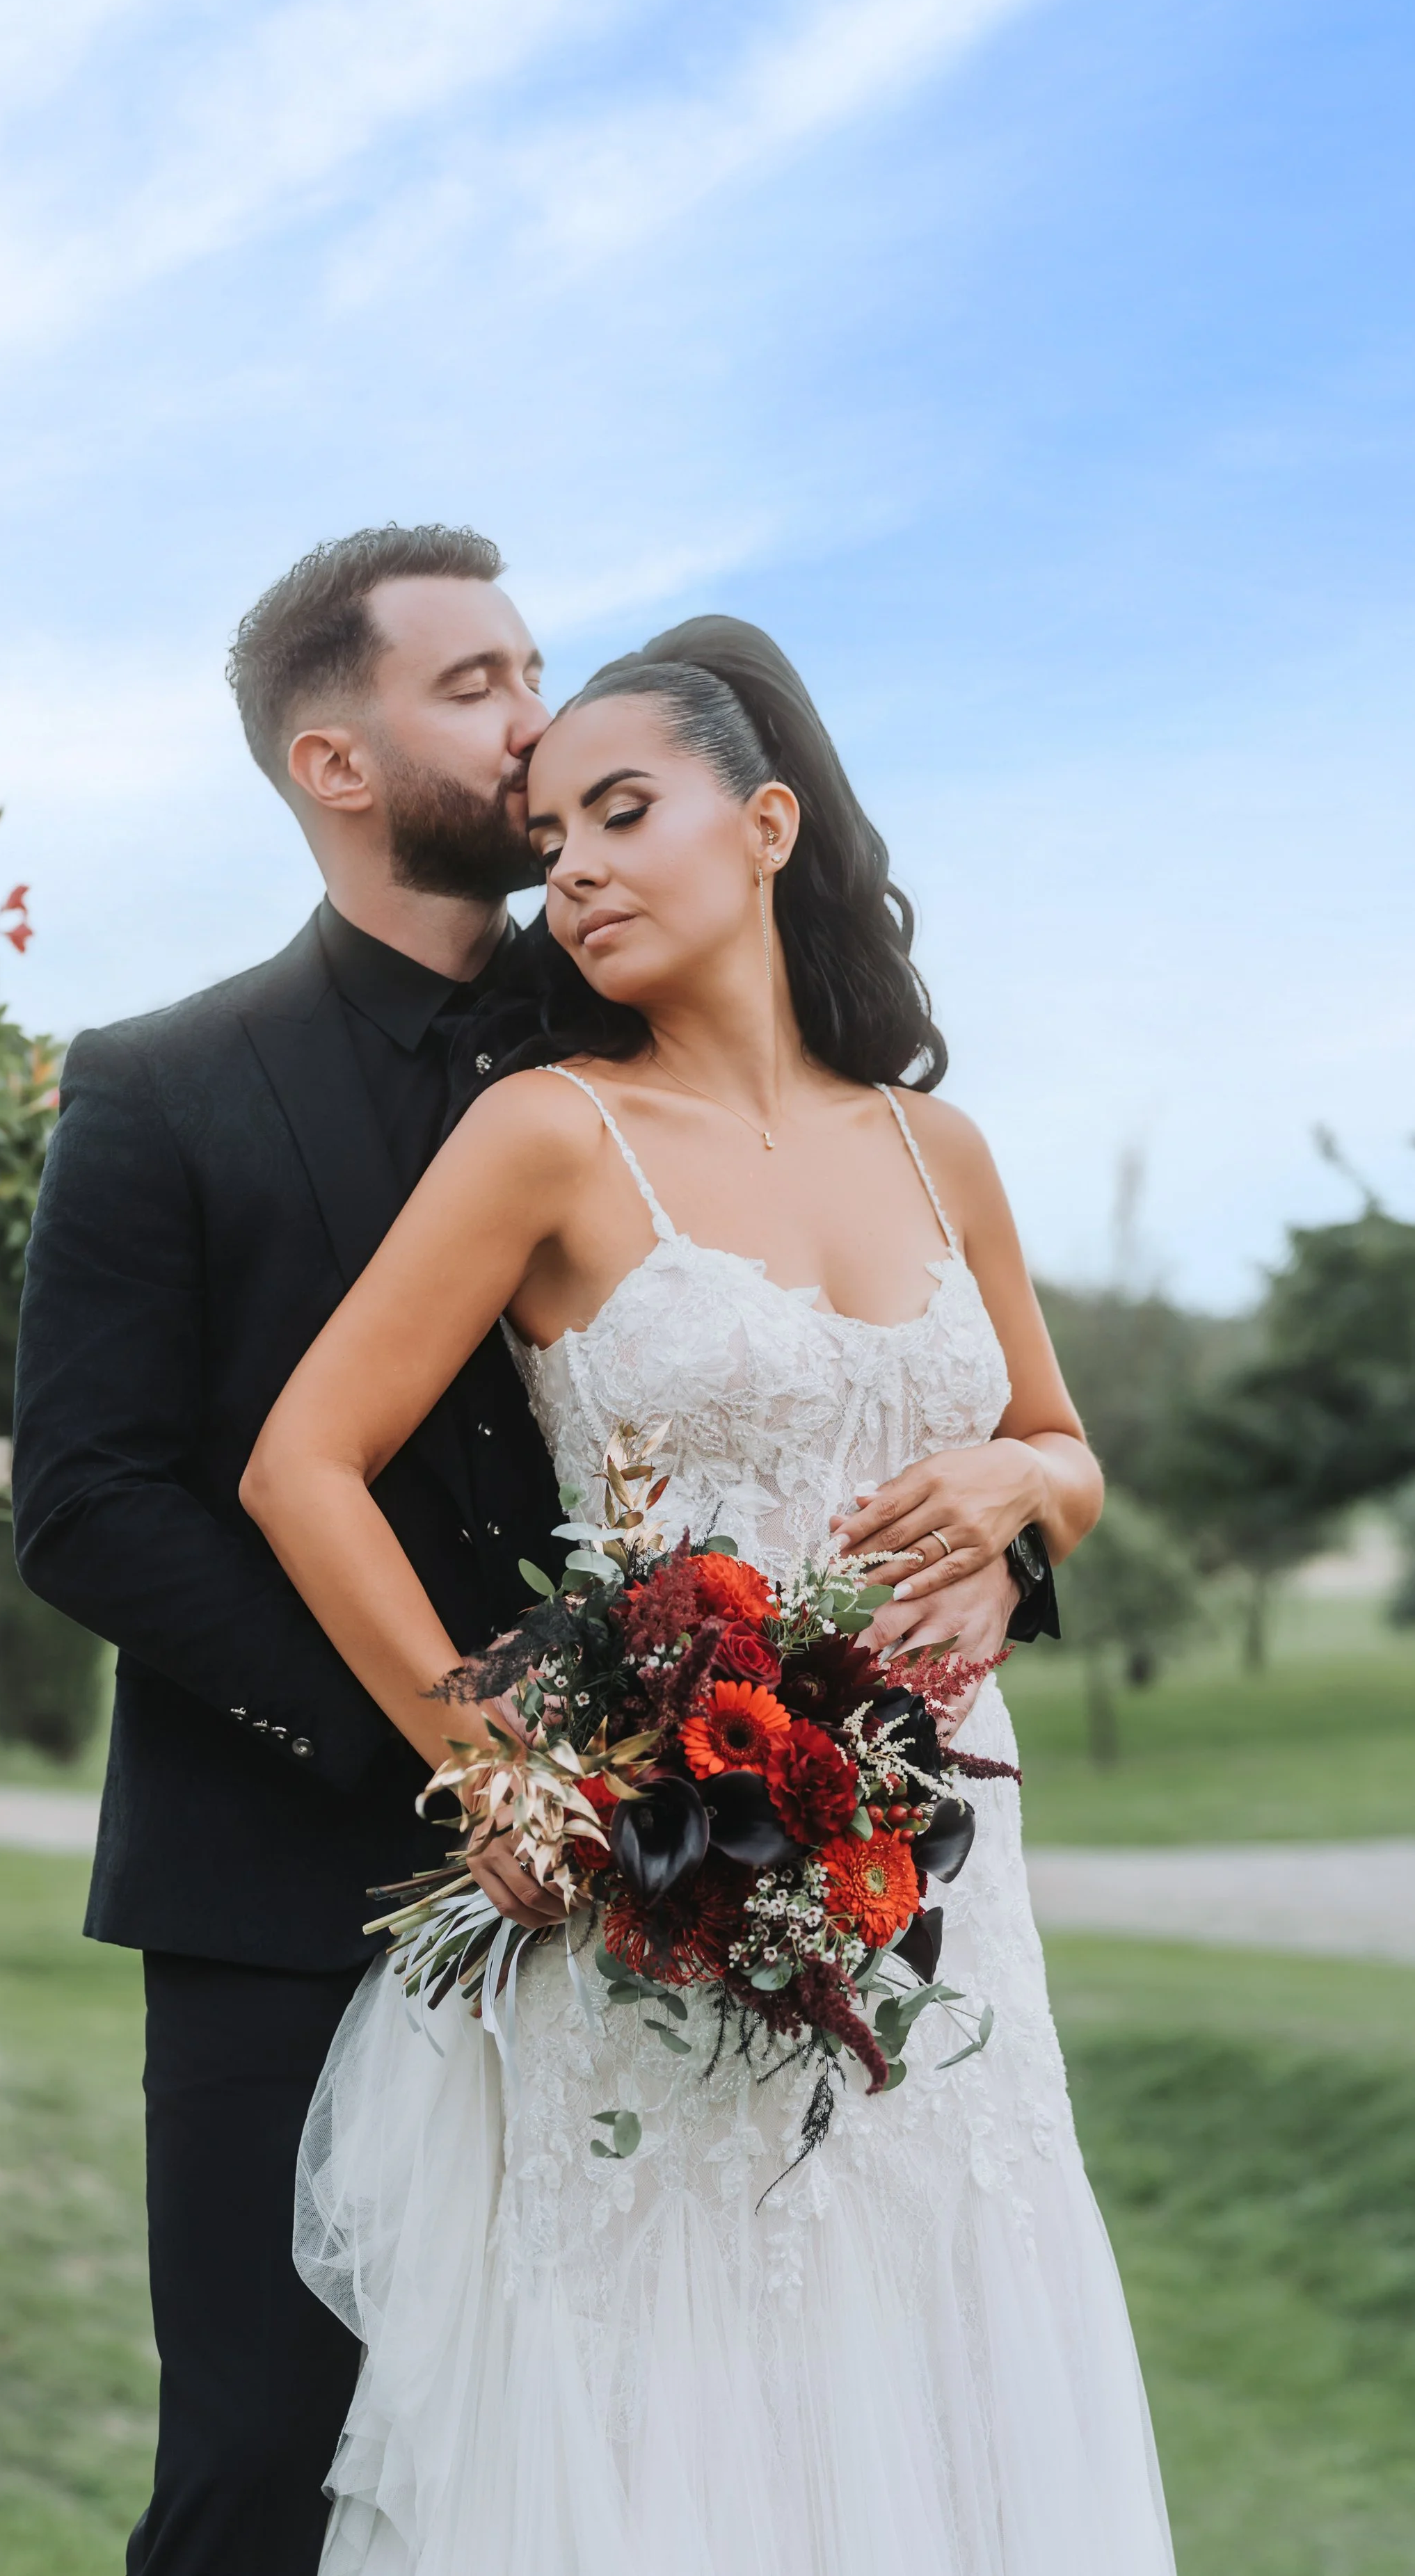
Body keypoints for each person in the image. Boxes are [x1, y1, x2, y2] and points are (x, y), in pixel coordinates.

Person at [244, 618, 1176, 2574]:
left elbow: (1065, 1453)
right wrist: (485, 1755)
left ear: (763, 824)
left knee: (939, 2348)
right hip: (659, 1884)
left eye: (617, 810)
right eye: (545, 831)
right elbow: (297, 1462)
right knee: (680, 2406)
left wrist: (1023, 1485)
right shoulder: (546, 1137)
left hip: (945, 1892)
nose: (567, 864)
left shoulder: (944, 1151)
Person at [10, 524, 568, 2575]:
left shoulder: (639, 1044)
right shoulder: (156, 1088)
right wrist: (426, 1735)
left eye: (537, 667)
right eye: (476, 684)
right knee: (263, 2473)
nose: (536, 720)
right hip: (275, 1894)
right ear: (336, 761)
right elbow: (87, 1497)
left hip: (665, 1887)